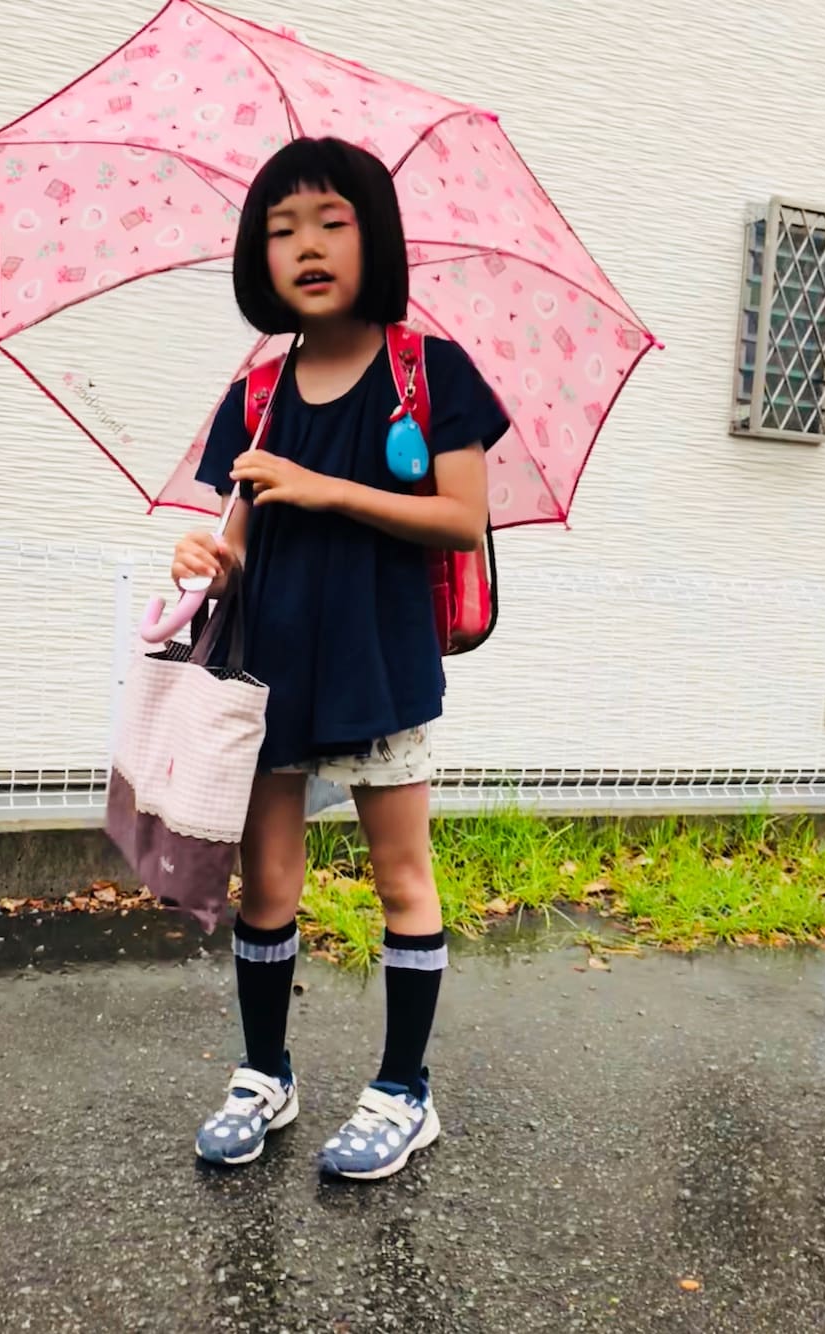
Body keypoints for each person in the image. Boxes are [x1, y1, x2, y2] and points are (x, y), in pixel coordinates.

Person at [172, 137, 508, 1180]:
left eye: (331, 222)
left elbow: (461, 518)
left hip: (379, 666)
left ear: (379, 238)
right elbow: (237, 539)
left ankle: (404, 1091)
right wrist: (206, 559)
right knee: (266, 881)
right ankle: (264, 1074)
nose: (306, 246)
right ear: (257, 256)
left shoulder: (430, 372)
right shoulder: (257, 394)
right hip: (267, 673)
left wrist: (327, 489)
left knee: (402, 878)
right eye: (282, 230)